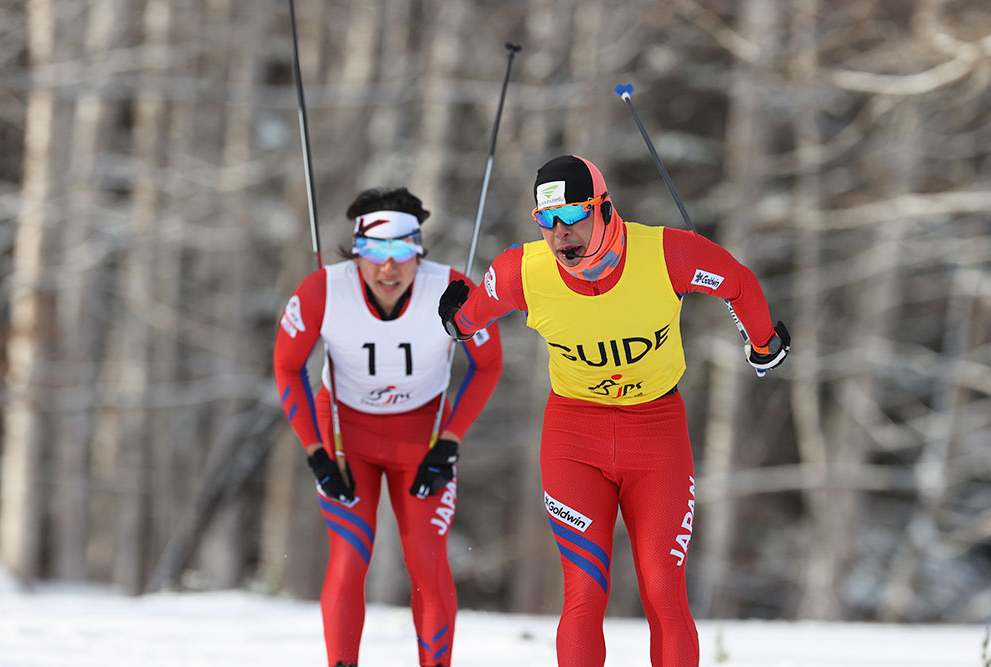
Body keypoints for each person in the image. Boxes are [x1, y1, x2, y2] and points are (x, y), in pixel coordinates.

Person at [438, 155, 789, 667]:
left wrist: (764, 343)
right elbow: (469, 317)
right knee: (584, 592)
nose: (560, 234)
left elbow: (736, 281)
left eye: (573, 215)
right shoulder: (523, 272)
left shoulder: (666, 253)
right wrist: (456, 318)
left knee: (663, 588)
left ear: (603, 208)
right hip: (574, 438)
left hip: (657, 434)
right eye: (546, 220)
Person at [274, 187, 503, 667]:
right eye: (376, 251)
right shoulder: (321, 290)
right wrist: (316, 452)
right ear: (357, 251)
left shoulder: (452, 290)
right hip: (343, 436)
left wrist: (451, 441)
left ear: (419, 248)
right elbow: (286, 368)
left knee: (426, 560)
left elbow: (488, 364)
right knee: (349, 557)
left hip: (422, 440)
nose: (389, 267)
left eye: (402, 250)